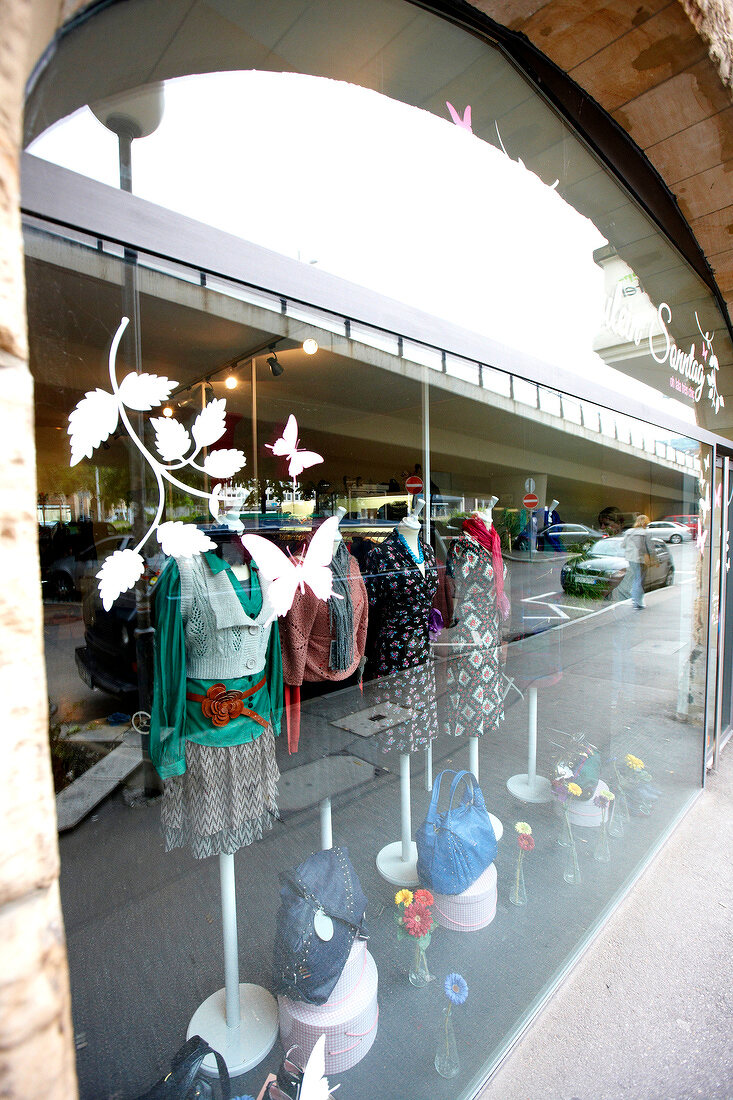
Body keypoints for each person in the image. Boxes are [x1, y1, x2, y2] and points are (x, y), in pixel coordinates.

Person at [622, 514, 654, 609]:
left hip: (630, 558)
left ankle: (635, 599)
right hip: (641, 559)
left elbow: (623, 545)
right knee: (639, 580)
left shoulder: (629, 532)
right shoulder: (646, 533)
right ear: (645, 522)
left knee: (636, 579)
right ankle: (637, 602)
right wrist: (655, 560)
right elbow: (651, 549)